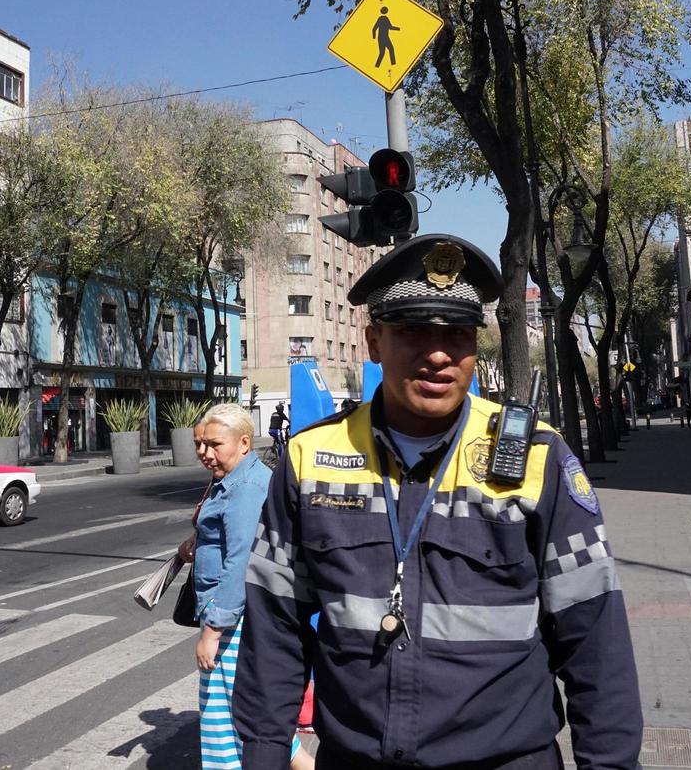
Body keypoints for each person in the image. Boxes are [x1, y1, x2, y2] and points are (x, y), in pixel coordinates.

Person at [234, 234, 642, 769]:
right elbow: (275, 630)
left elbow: (595, 638)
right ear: (374, 341)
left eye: (457, 334)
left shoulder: (537, 457)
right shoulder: (311, 458)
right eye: (413, 332)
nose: (438, 355)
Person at [182, 402, 311, 770]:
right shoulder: (235, 479)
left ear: (243, 442)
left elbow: (242, 564)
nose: (205, 453)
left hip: (236, 622)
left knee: (231, 720)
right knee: (252, 716)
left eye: (214, 444)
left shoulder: (245, 488)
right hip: (241, 618)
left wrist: (212, 630)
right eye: (200, 444)